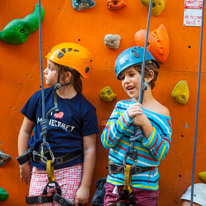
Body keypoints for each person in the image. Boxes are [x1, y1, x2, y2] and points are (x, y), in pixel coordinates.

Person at [17, 42, 99, 206]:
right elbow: (25, 131)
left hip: (70, 170)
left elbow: (90, 149)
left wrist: (85, 186)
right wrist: (23, 163)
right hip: (39, 170)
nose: (45, 71)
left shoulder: (86, 109)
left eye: (51, 68)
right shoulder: (39, 97)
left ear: (67, 76)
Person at [100, 46, 172, 206]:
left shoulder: (162, 113)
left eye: (131, 74)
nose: (125, 81)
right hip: (116, 184)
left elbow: (160, 153)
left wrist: (146, 124)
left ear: (149, 76)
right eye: (122, 78)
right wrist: (126, 118)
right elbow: (106, 141)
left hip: (145, 188)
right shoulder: (121, 107)